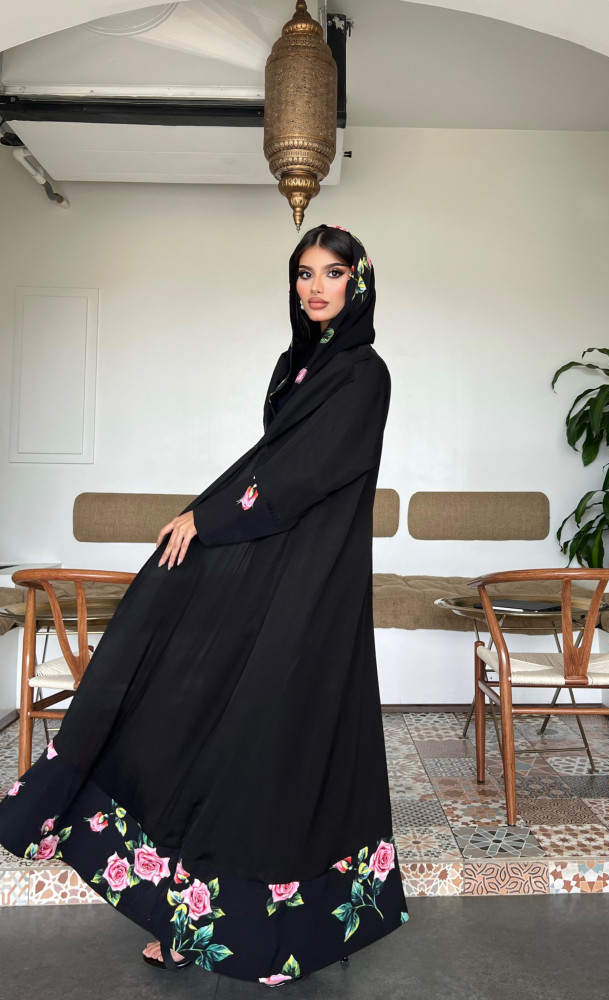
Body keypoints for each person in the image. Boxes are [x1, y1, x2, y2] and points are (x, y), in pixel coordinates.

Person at [0, 224, 409, 986]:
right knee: (214, 724)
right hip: (273, 566)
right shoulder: (296, 365)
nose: (316, 287)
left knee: (285, 738)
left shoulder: (365, 374)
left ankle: (307, 927)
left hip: (315, 583)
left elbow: (299, 476)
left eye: (332, 273)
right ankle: (190, 920)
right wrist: (202, 522)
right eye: (304, 274)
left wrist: (209, 519)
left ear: (359, 282)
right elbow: (270, 463)